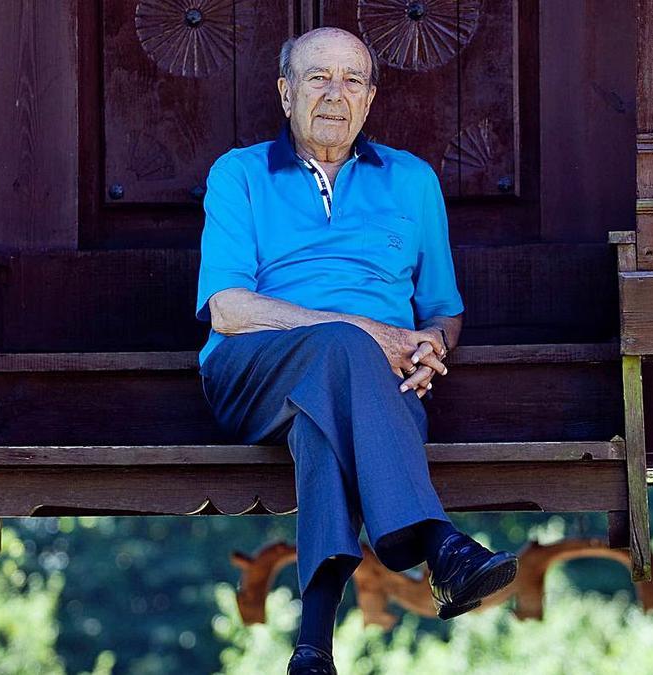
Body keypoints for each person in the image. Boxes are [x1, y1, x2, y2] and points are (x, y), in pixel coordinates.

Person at [195, 26, 519, 675]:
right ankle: (436, 541)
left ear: (371, 98)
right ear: (286, 92)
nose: (335, 94)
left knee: (325, 421)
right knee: (344, 345)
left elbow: (443, 310)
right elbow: (229, 310)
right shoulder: (239, 174)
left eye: (351, 80)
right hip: (252, 371)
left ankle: (312, 644)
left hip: (380, 383)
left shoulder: (413, 182)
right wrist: (371, 333)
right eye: (318, 78)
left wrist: (431, 347)